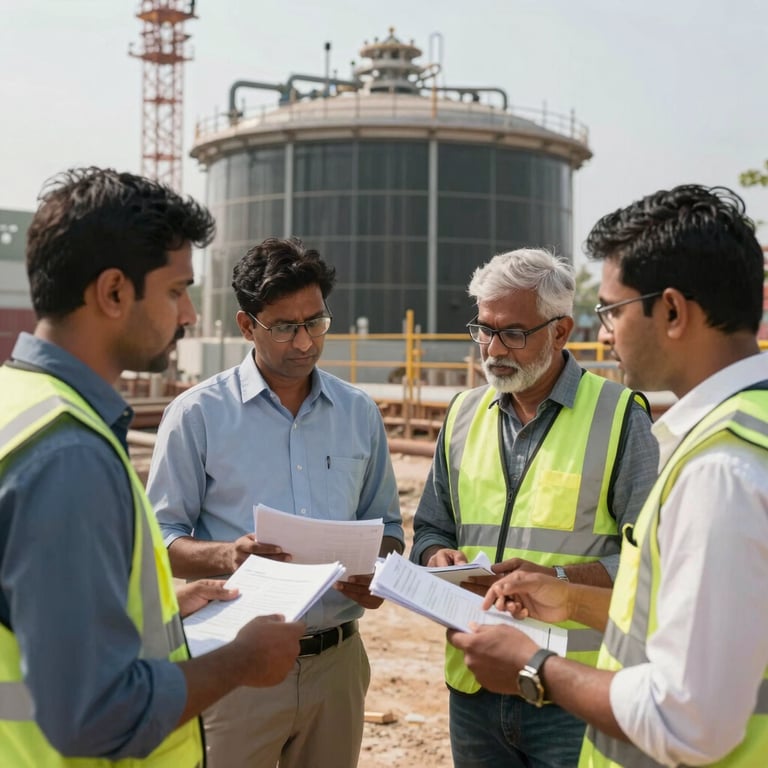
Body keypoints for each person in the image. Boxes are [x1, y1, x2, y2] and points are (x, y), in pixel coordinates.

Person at [449, 184, 768, 767]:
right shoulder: (750, 428)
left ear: (671, 311)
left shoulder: (720, 471)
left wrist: (533, 666)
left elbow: (687, 719)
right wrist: (568, 597)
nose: (604, 334)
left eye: (612, 311)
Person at [0, 167, 306, 767]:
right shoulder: (69, 455)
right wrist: (243, 659)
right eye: (176, 290)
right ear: (114, 292)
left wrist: (168, 610)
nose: (189, 314)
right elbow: (96, 714)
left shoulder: (20, 405)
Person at [146, 235, 404, 768]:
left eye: (316, 322)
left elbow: (389, 529)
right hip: (235, 667)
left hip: (338, 665)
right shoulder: (197, 416)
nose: (305, 341)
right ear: (247, 326)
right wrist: (228, 556)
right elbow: (159, 542)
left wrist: (378, 576)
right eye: (286, 327)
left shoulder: (358, 414)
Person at [411, 247, 659, 767]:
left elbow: (650, 568)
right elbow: (433, 527)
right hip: (474, 683)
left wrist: (560, 580)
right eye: (483, 329)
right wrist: (437, 558)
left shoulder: (619, 418)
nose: (493, 349)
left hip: (571, 691)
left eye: (514, 333)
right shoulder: (461, 415)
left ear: (562, 331)